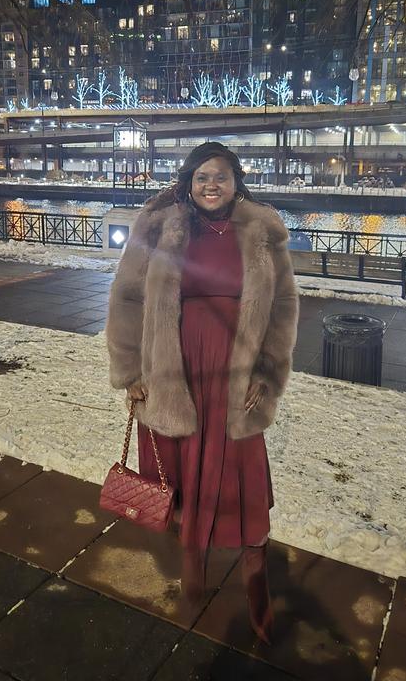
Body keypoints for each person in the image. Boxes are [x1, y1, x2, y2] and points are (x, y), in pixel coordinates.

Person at [106, 141, 299, 644]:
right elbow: (127, 298)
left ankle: (255, 578)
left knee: (242, 471)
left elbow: (282, 306)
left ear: (237, 181)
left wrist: (267, 372)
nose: (211, 185)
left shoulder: (262, 229)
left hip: (236, 371)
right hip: (175, 370)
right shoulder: (158, 224)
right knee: (184, 469)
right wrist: (131, 371)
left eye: (221, 176)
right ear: (188, 181)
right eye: (202, 177)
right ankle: (192, 562)